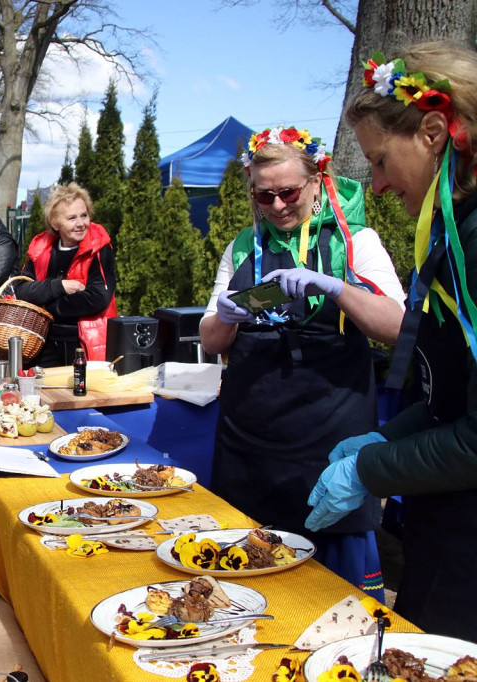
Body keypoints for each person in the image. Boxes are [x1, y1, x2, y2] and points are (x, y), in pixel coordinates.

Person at [306, 43, 477, 637]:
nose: (374, 187)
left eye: (379, 162)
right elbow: (450, 394)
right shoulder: (456, 236)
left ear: (433, 132)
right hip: (445, 521)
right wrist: (384, 436)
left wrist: (373, 468)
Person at [199, 124, 405, 595]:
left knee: (330, 590)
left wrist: (336, 287)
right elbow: (211, 340)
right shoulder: (242, 247)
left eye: (287, 192)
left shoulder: (357, 243)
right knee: (246, 571)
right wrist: (228, 316)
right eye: (263, 196)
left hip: (328, 434)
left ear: (316, 181)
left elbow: (395, 327)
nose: (276, 207)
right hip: (249, 438)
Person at [13, 182, 117, 364]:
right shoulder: (40, 249)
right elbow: (21, 290)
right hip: (42, 343)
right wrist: (59, 286)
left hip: (83, 346)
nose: (80, 224)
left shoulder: (99, 248)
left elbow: (97, 298)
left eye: (84, 216)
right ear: (55, 223)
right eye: (71, 218)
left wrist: (49, 307)